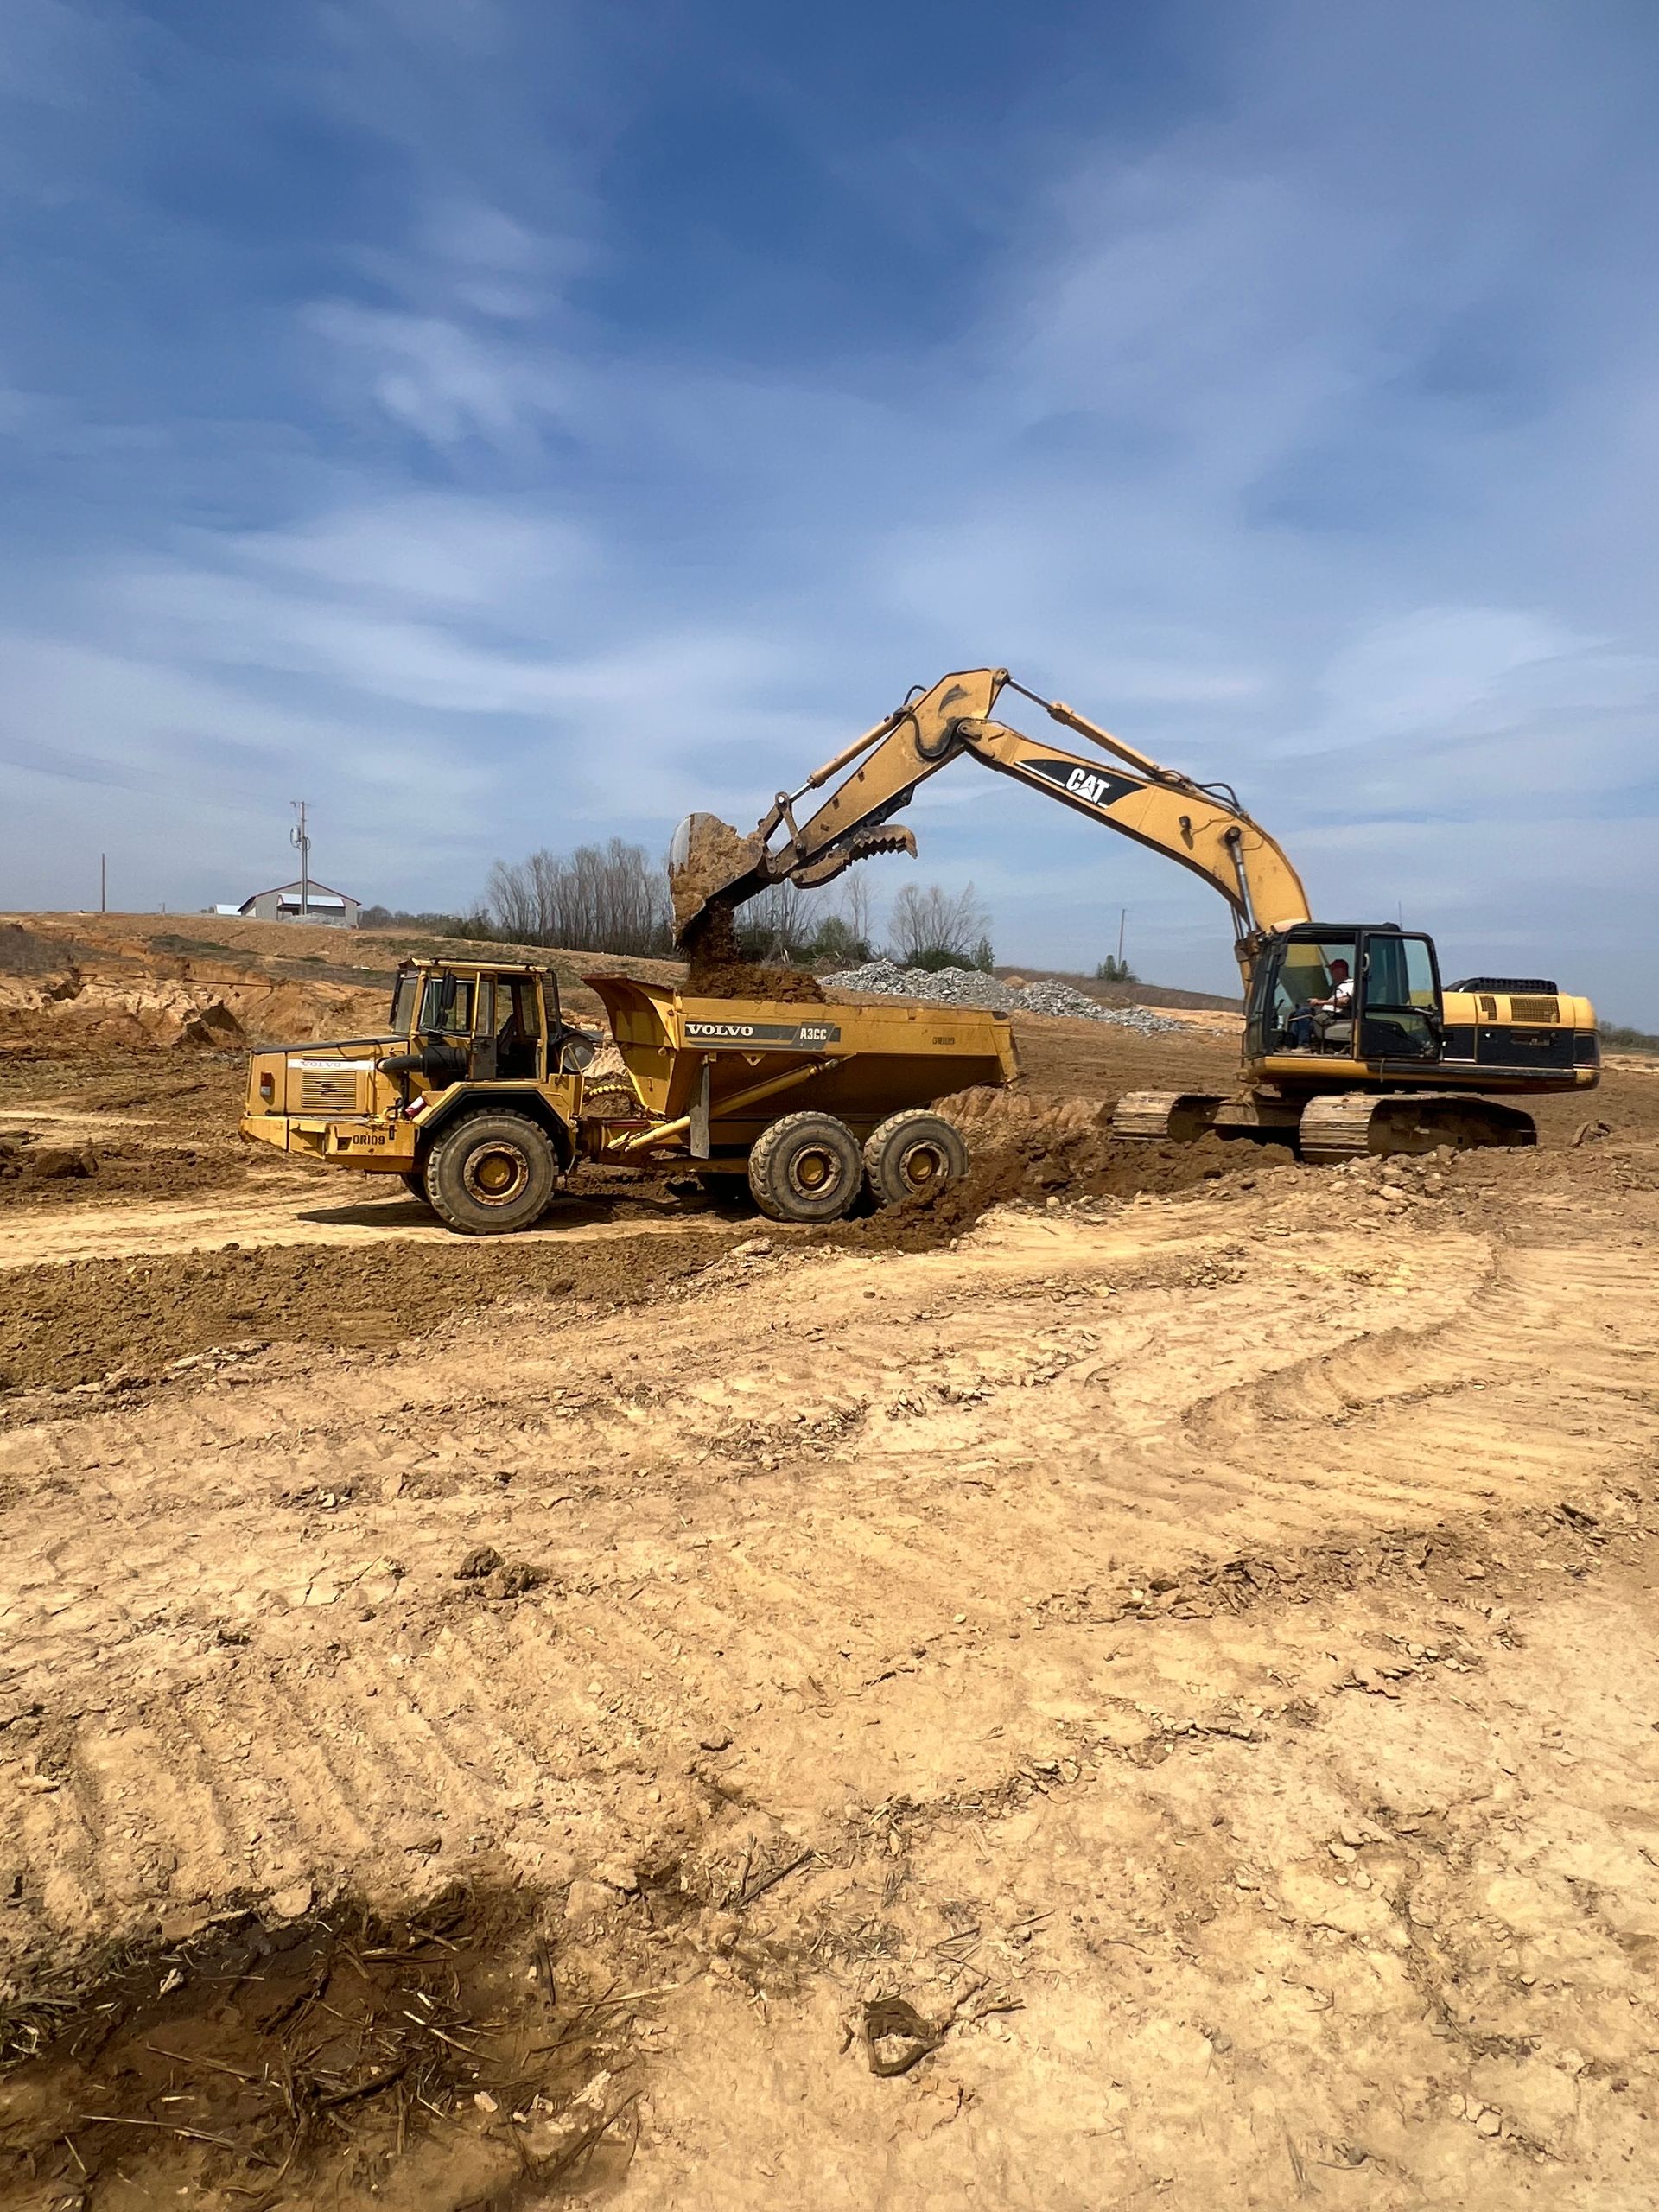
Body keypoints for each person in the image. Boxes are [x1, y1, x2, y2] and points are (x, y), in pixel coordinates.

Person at [1285, 957, 1353, 1050]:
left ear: (1342, 971)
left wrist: (1319, 1002)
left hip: (1337, 1014)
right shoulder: (1336, 985)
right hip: (1329, 1011)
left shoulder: (1350, 984)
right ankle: (1289, 1045)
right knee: (1296, 1014)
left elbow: (1344, 1001)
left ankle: (1304, 1046)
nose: (1331, 973)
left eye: (1333, 970)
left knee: (1305, 1013)